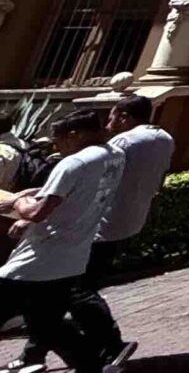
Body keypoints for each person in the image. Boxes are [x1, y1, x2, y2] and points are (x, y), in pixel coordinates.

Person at [15, 96, 172, 371]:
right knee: (61, 294)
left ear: (124, 117)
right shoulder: (165, 138)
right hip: (129, 220)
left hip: (99, 226)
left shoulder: (119, 145)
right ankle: (36, 354)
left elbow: (91, 183)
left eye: (112, 118)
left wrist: (35, 205)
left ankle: (111, 345)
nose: (108, 125)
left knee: (76, 291)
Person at [1, 109, 127, 373]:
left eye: (57, 140)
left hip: (37, 260)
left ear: (74, 135)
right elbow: (76, 197)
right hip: (72, 257)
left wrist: (17, 201)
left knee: (42, 321)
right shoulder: (115, 155)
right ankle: (93, 366)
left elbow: (37, 211)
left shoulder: (73, 164)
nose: (55, 147)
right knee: (47, 324)